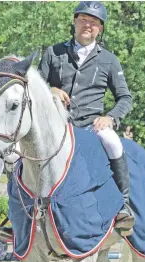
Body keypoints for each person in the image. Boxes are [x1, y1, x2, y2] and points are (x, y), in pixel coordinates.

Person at [38, 1, 133, 222]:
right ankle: (17, 213)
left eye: (93, 22)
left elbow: (125, 98)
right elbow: (34, 86)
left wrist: (110, 118)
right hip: (56, 125)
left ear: (100, 28)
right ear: (74, 21)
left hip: (92, 124)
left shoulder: (109, 60)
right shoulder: (53, 52)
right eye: (83, 20)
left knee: (113, 142)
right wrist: (50, 89)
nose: (87, 25)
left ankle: (124, 205)